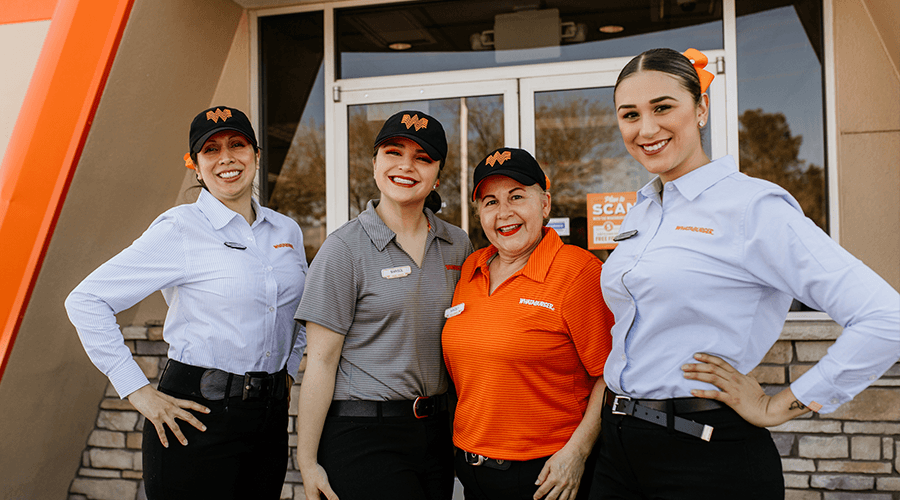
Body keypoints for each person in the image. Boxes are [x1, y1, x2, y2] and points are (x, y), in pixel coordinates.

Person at [593, 47, 900, 499]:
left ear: (701, 109)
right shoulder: (641, 212)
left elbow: (885, 318)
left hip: (704, 454)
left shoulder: (752, 207)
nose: (647, 128)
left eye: (663, 108)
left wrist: (779, 404)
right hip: (618, 446)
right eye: (630, 114)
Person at [65, 106, 308, 500]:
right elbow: (86, 300)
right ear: (195, 165)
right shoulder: (179, 229)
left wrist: (289, 371)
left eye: (237, 144)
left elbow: (299, 310)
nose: (226, 157)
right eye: (210, 150)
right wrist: (137, 391)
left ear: (256, 154)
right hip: (195, 418)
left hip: (268, 418)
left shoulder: (286, 230)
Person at [294, 110, 473, 500]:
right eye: (394, 152)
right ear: (375, 163)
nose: (406, 166)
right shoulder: (343, 249)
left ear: (438, 174)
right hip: (364, 435)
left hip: (437, 432)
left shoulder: (458, 244)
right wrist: (307, 461)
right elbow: (321, 362)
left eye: (423, 158)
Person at [442, 147, 615, 500]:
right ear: (479, 214)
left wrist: (578, 452)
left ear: (545, 204)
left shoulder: (578, 272)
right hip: (471, 471)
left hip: (546, 475)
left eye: (516, 197)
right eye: (490, 202)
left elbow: (610, 374)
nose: (504, 213)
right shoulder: (470, 270)